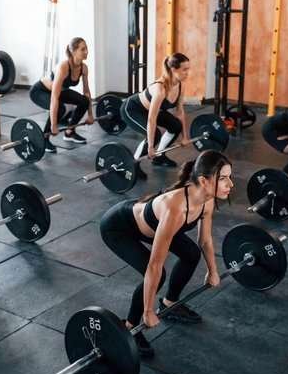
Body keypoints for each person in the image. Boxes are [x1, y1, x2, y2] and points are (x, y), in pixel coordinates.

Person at [99, 150, 234, 357]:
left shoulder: (206, 200)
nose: (230, 184)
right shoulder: (175, 209)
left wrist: (212, 270)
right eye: (223, 178)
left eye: (229, 177)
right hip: (119, 227)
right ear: (204, 181)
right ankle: (130, 325)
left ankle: (170, 303)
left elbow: (204, 240)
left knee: (191, 254)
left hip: (151, 226)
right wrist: (147, 311)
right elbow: (154, 265)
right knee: (157, 274)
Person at [121, 53, 192, 180]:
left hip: (151, 111)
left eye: (188, 69)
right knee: (154, 135)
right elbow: (151, 119)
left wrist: (184, 137)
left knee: (176, 126)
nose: (187, 73)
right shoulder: (160, 89)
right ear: (173, 70)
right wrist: (150, 147)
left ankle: (160, 157)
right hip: (132, 109)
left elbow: (180, 111)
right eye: (184, 69)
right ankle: (132, 167)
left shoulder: (181, 85)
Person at [29, 37, 94, 153]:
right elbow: (54, 97)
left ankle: (69, 132)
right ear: (73, 51)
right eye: (82, 49)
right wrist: (54, 125)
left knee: (84, 101)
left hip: (59, 91)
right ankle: (44, 138)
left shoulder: (84, 68)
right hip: (40, 91)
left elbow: (87, 92)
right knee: (60, 108)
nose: (86, 52)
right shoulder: (63, 67)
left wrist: (90, 114)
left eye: (86, 49)